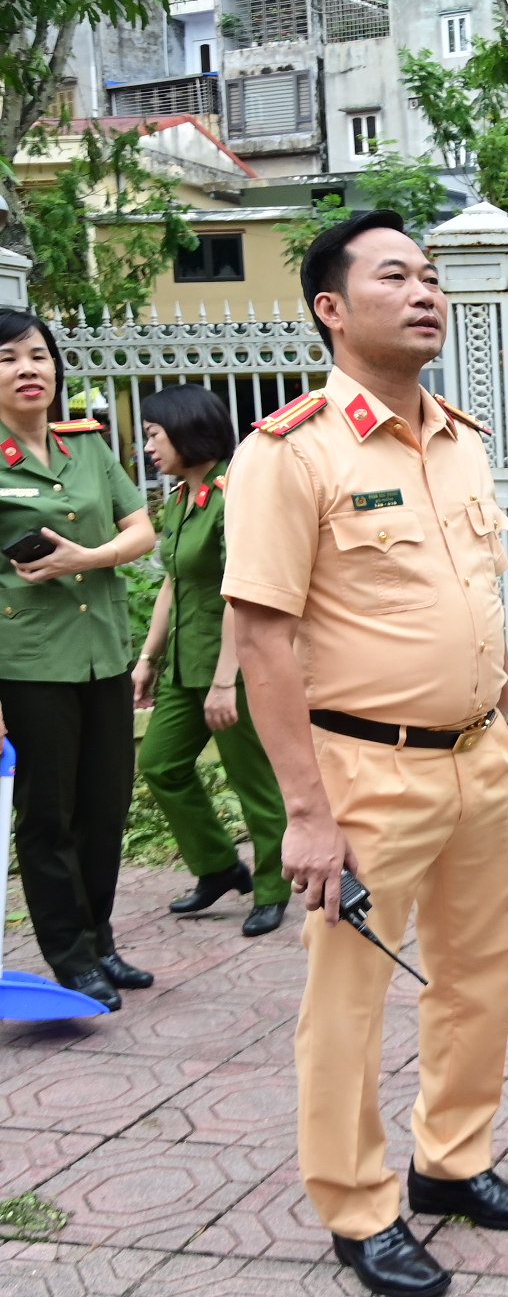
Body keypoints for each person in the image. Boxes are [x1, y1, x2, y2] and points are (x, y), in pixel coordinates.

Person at [224, 211, 508, 1297]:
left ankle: (452, 1162)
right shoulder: (290, 453)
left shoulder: (461, 440)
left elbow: (481, 594)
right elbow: (265, 638)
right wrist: (307, 813)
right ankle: (359, 1208)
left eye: (433, 276)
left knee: (477, 974)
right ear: (331, 307)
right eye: (395, 276)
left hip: (475, 762)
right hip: (364, 773)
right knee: (351, 1002)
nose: (426, 293)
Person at [0, 309, 158, 1012]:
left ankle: (100, 941)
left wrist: (89, 559)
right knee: (48, 815)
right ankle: (68, 954)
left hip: (104, 654)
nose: (27, 369)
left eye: (37, 355)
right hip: (27, 661)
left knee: (105, 804)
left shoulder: (86, 445)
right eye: (6, 359)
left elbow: (142, 529)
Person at [132, 385, 292, 937]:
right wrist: (148, 659)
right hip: (183, 666)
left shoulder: (234, 495)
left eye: (154, 434)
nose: (147, 445)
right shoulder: (181, 498)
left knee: (255, 782)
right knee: (160, 764)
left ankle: (272, 888)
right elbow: (173, 585)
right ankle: (219, 866)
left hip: (235, 669)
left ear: (186, 429)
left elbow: (239, 592)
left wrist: (227, 680)